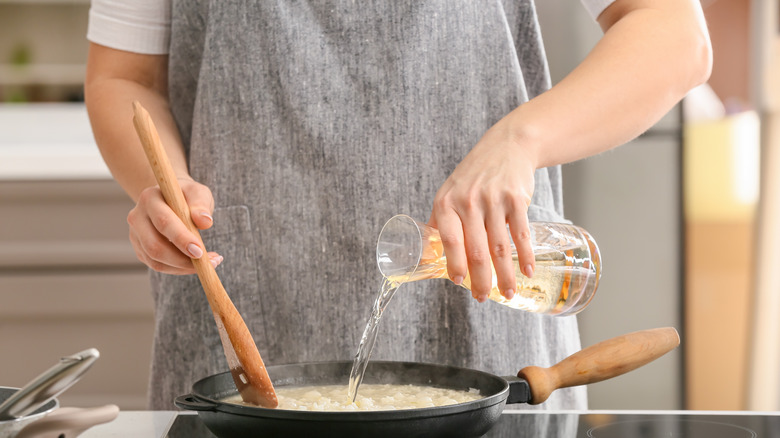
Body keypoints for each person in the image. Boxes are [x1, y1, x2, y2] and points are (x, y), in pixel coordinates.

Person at [84, 0, 711, 410]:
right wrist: (169, 187)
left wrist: (521, 141)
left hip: (484, 311)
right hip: (245, 306)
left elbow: (673, 34)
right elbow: (124, 77)